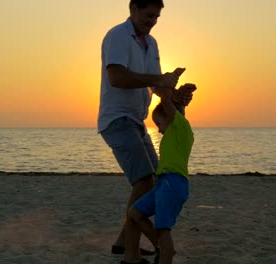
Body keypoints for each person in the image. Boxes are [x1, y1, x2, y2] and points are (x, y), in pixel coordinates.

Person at [98, 0, 193, 258]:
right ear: (133, 10)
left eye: (157, 17)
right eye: (148, 15)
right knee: (144, 181)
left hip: (137, 121)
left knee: (156, 181)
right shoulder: (118, 35)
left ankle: (122, 241)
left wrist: (175, 96)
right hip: (117, 119)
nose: (152, 21)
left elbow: (158, 88)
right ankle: (131, 255)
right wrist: (157, 79)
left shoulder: (152, 44)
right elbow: (116, 77)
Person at [122, 84, 195, 264]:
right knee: (135, 213)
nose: (159, 130)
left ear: (170, 117)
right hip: (163, 183)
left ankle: (165, 252)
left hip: (173, 183)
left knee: (164, 230)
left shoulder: (180, 127)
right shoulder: (175, 130)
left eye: (159, 124)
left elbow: (169, 106)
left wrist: (163, 89)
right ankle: (163, 248)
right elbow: (175, 110)